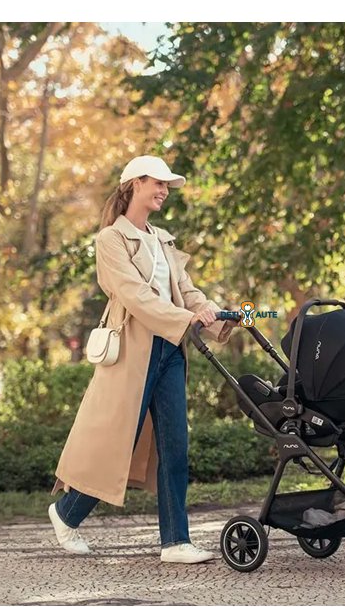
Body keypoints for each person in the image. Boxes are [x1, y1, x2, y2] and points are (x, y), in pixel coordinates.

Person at [47, 154, 236, 563]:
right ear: (135, 184)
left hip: (170, 350)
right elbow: (133, 294)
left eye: (167, 185)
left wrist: (214, 312)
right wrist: (186, 319)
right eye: (159, 183)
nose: (165, 191)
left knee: (175, 445)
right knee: (117, 443)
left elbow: (186, 290)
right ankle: (66, 512)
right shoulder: (110, 240)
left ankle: (176, 542)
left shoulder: (162, 239)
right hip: (132, 352)